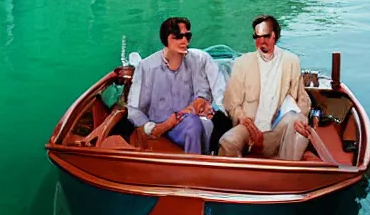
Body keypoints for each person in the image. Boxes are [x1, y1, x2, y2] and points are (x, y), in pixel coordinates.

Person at [219, 15, 311, 160]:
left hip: (278, 128)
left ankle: (284, 172)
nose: (261, 42)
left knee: (297, 126)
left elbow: (302, 98)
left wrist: (301, 118)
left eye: (266, 36)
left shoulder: (291, 61)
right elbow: (231, 103)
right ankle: (237, 179)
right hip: (250, 128)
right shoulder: (241, 63)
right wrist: (243, 119)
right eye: (257, 37)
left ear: (275, 36)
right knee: (227, 141)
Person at [127, 17, 214, 154]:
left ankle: (195, 168)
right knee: (195, 124)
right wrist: (157, 127)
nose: (184, 41)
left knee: (201, 124)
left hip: (185, 122)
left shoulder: (195, 62)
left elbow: (202, 94)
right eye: (178, 36)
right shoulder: (147, 67)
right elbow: (134, 110)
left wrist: (179, 116)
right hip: (156, 124)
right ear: (165, 39)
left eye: (187, 36)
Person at [189, 48, 233, 154]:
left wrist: (219, 110)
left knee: (222, 120)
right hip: (191, 114)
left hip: (213, 108)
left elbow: (219, 92)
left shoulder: (202, 59)